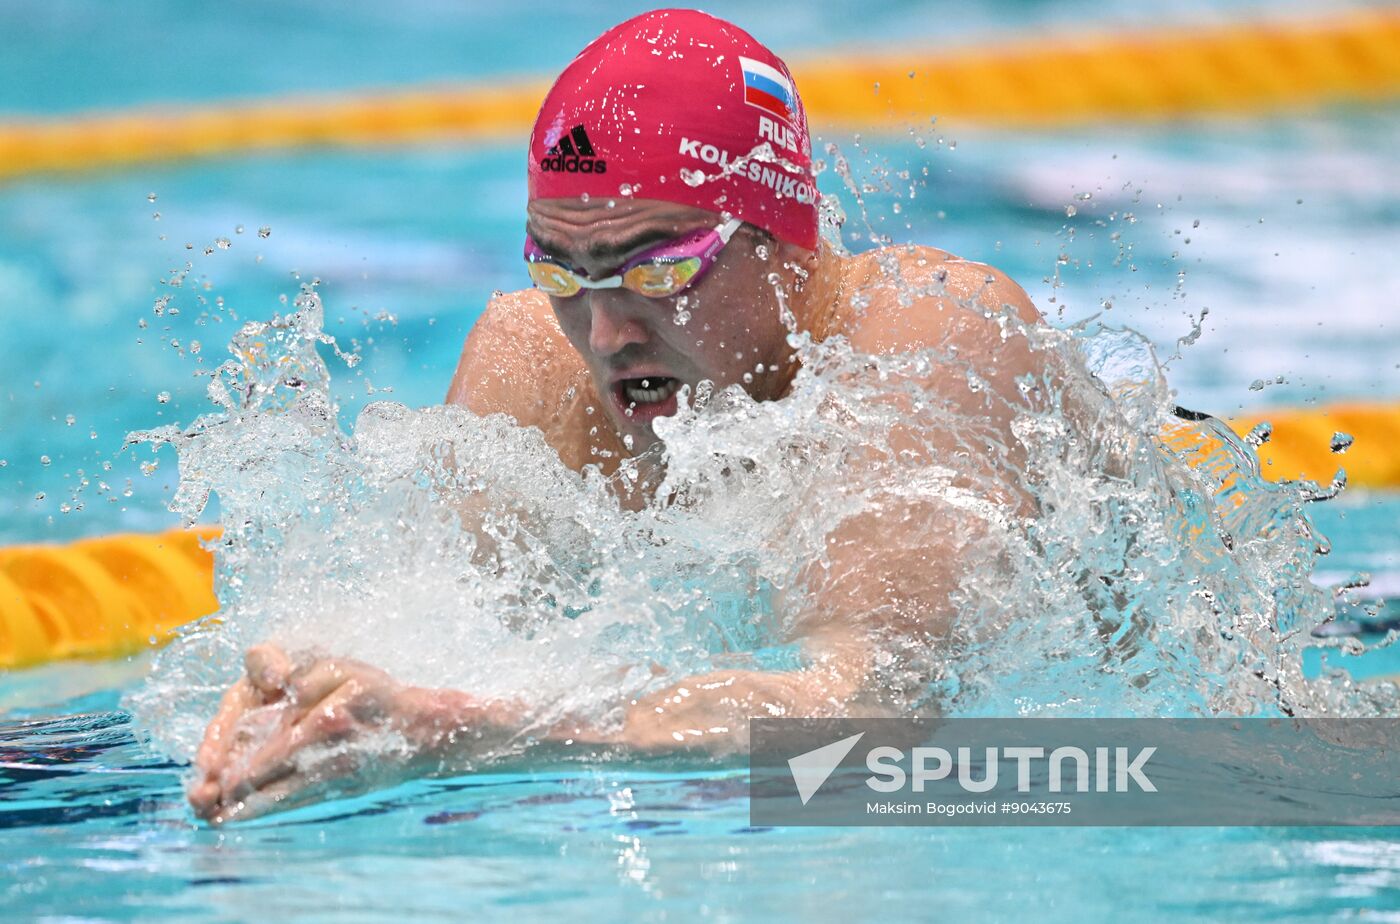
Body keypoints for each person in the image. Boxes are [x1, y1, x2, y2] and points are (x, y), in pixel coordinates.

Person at [188, 8, 1047, 824]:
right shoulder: (534, 361)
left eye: (659, 270)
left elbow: (867, 709)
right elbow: (438, 631)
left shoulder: (929, 339)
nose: (604, 334)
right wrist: (316, 686)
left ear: (785, 244)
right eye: (560, 271)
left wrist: (479, 730)